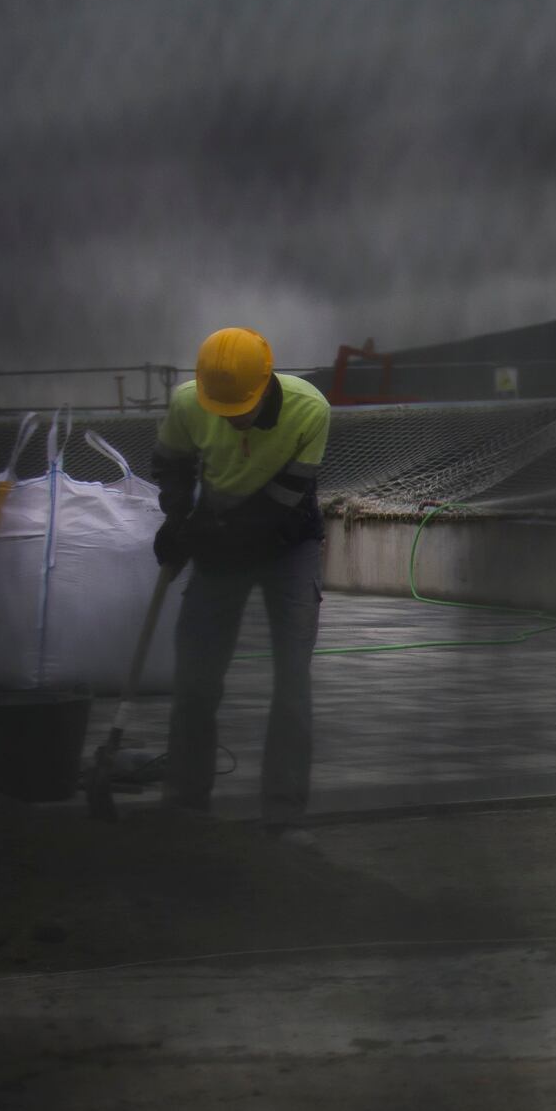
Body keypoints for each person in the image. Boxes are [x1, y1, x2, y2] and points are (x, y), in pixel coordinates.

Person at [152, 326, 331, 823]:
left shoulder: (310, 409)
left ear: (266, 382)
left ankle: (284, 816)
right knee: (195, 677)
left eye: (240, 410)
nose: (230, 421)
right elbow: (170, 465)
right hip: (218, 538)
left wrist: (208, 537)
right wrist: (176, 518)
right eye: (221, 409)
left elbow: (282, 505)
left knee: (292, 681)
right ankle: (185, 806)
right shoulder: (189, 404)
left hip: (288, 545)